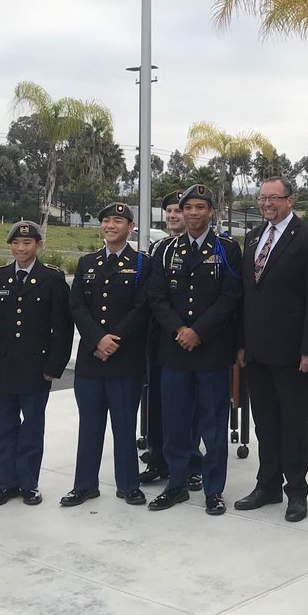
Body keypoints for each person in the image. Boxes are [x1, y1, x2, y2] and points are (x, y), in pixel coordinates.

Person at [235, 177, 308, 523]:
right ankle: (268, 485)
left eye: (273, 198)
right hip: (256, 351)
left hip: (293, 354)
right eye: (262, 198)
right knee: (265, 423)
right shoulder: (252, 237)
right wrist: (241, 344)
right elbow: (246, 295)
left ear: (290, 200)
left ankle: (297, 492)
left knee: (294, 424)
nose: (266, 204)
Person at [145, 184, 243, 515]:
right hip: (174, 351)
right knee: (174, 423)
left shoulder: (226, 249)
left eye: (200, 207)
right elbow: (157, 297)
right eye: (187, 207)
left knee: (212, 427)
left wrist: (198, 331)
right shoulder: (166, 250)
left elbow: (230, 297)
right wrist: (180, 329)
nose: (193, 213)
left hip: (211, 351)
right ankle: (176, 484)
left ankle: (213, 490)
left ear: (211, 212)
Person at [62, 202, 151, 508]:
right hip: (91, 358)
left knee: (124, 427)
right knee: (89, 426)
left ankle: (129, 485)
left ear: (130, 227)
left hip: (124, 360)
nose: (111, 226)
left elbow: (143, 308)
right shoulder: (87, 262)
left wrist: (114, 340)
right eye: (106, 221)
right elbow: (77, 306)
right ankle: (85, 485)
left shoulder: (142, 264)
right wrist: (97, 339)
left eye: (118, 221)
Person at [0, 220, 72, 508]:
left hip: (36, 367)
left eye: (27, 243)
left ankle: (29, 483)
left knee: (32, 430)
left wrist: (54, 366)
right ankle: (4, 485)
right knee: (3, 429)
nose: (21, 248)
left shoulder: (52, 278)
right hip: (3, 366)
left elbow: (62, 328)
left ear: (39, 245)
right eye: (16, 243)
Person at [139, 190, 194, 486]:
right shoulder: (159, 247)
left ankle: (191, 464)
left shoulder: (210, 247)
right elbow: (153, 294)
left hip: (193, 340)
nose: (173, 216)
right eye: (169, 211)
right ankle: (158, 458)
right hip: (160, 338)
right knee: (158, 403)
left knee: (191, 407)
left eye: (177, 210)